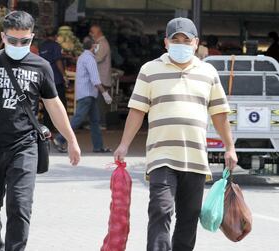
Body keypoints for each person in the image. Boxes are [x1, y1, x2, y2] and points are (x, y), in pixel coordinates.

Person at [0, 11, 81, 251]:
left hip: (25, 147)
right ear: (3, 37)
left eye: (25, 41)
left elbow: (54, 105)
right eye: (13, 40)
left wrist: (71, 140)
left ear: (32, 38)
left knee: (20, 206)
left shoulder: (41, 66)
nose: (19, 45)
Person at [114, 17, 238, 251]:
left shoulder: (208, 72)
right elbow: (137, 111)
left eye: (186, 40)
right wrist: (123, 145)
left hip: (195, 160)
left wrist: (229, 147)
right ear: (166, 43)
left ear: (196, 43)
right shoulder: (149, 70)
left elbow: (220, 114)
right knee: (160, 209)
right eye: (175, 40)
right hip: (162, 156)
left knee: (188, 218)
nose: (181, 44)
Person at [53, 37, 112, 153]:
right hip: (88, 95)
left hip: (87, 94)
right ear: (93, 46)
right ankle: (60, 138)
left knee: (95, 121)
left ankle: (98, 146)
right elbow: (95, 79)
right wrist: (105, 93)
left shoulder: (82, 57)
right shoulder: (90, 59)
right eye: (96, 45)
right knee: (78, 118)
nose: (97, 47)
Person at [39, 27, 68, 129]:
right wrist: (64, 75)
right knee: (60, 103)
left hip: (44, 79)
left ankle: (48, 126)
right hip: (56, 79)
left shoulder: (42, 46)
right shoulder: (56, 46)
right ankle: (60, 126)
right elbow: (58, 61)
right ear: (56, 36)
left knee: (47, 104)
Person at [89, 24, 112, 129]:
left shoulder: (103, 43)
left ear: (98, 33)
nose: (91, 34)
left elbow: (99, 58)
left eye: (92, 32)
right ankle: (99, 123)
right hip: (99, 77)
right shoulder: (98, 43)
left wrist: (88, 56)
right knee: (99, 101)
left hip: (102, 77)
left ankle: (101, 123)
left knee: (100, 103)